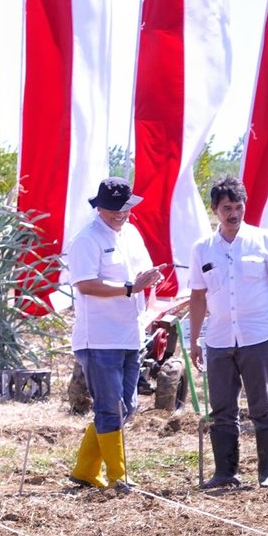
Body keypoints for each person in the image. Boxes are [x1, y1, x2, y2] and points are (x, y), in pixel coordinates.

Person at [187, 177, 268, 491]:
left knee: (262, 406)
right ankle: (226, 473)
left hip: (257, 337)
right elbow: (197, 297)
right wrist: (194, 340)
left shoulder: (263, 241)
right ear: (215, 209)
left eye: (238, 207)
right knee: (222, 408)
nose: (233, 214)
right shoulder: (202, 249)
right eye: (227, 208)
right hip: (219, 339)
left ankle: (267, 473)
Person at [65, 177, 165, 493]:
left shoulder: (132, 234)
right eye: (113, 209)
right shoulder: (86, 239)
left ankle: (84, 470)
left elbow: (143, 274)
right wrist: (129, 288)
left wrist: (152, 280)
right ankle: (118, 477)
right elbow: (85, 284)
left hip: (130, 335)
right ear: (100, 208)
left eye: (125, 208)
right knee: (111, 408)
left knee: (127, 406)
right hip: (98, 338)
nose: (120, 214)